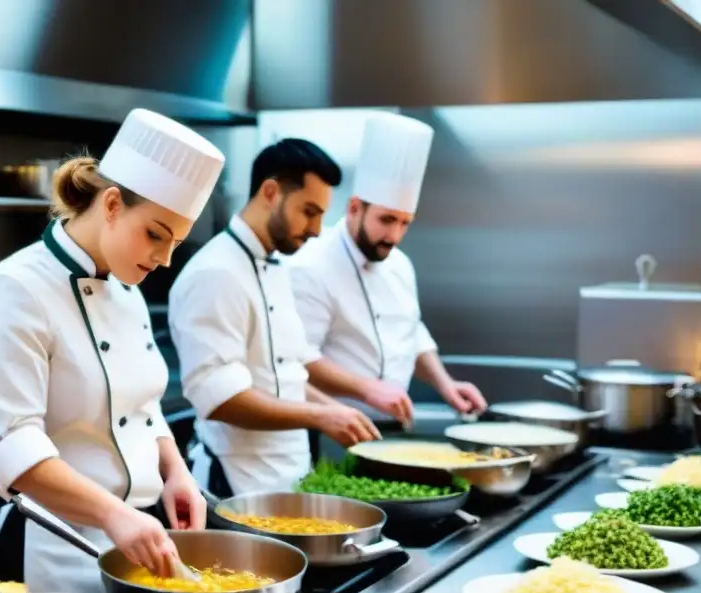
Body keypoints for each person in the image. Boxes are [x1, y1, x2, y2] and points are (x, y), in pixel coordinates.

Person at [0, 109, 225, 593]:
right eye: (156, 235)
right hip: (55, 546)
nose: (164, 260)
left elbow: (139, 406)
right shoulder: (12, 290)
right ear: (113, 204)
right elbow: (10, 448)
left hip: (140, 536)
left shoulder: (127, 287)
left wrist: (174, 471)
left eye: (177, 243)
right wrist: (112, 513)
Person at [168, 139, 396, 498]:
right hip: (236, 484)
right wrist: (319, 417)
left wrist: (334, 409)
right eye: (309, 211)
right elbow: (219, 399)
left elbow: (281, 375)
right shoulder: (215, 273)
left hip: (287, 478)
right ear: (271, 192)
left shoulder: (275, 266)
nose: (317, 229)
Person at [291, 114, 487, 447]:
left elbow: (411, 332)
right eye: (386, 220)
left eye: (405, 223)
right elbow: (298, 359)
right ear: (354, 208)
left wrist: (445, 384)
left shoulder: (399, 265)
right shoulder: (310, 264)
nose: (394, 235)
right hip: (330, 429)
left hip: (391, 429)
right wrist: (367, 388)